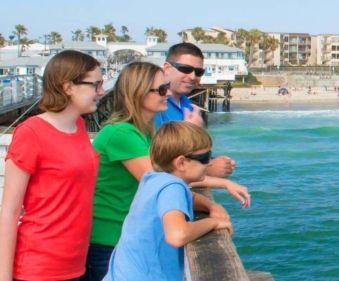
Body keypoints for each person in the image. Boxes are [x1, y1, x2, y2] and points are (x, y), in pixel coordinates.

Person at [82, 62, 250, 281]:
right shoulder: (121, 133)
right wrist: (214, 215)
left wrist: (211, 204)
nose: (168, 93)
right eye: (161, 89)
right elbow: (163, 184)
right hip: (109, 239)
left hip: (128, 238)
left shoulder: (145, 133)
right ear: (138, 93)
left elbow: (167, 184)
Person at [0, 50, 105, 280]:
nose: (102, 92)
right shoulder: (30, 133)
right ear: (68, 87)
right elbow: (9, 211)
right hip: (39, 267)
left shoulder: (78, 125)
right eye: (95, 85)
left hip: (76, 263)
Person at [103, 121, 233, 281]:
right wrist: (213, 223)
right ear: (181, 163)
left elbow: (187, 198)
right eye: (205, 157)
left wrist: (211, 205)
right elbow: (178, 235)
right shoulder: (172, 187)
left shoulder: (154, 179)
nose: (210, 162)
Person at [155, 43, 235, 178]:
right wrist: (207, 169)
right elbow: (154, 161)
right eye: (185, 69)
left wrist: (211, 160)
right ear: (167, 68)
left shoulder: (188, 104)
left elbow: (189, 151)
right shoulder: (155, 105)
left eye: (198, 72)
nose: (192, 77)